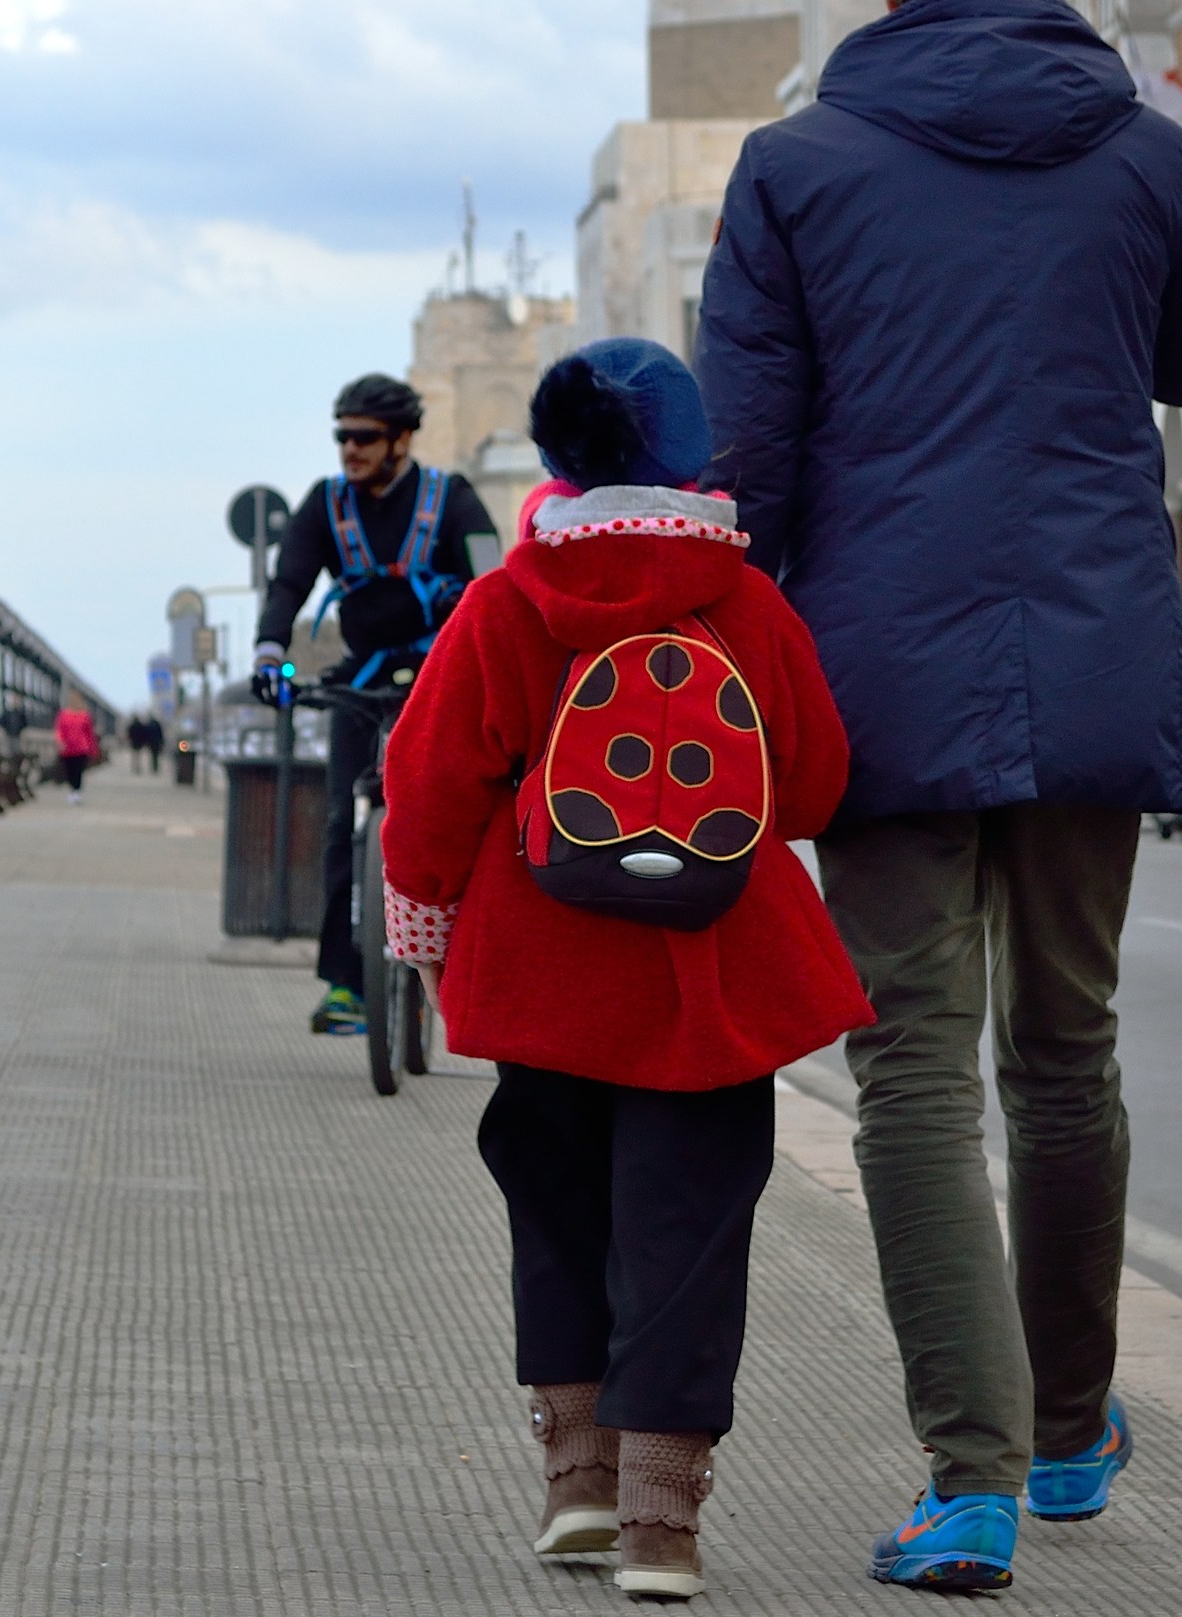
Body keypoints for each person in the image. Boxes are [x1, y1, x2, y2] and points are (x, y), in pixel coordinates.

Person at [692, 0, 1182, 1590]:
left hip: (881, 665)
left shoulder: (796, 162)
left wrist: (745, 667)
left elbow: (748, 454)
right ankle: (1070, 1436)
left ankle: (973, 1478)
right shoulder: (1147, 149)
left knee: (912, 1068)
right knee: (1067, 1053)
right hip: (1096, 646)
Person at [380, 339, 871, 1599]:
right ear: (693, 457)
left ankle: (576, 1492)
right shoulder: (749, 605)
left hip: (543, 980)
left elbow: (429, 789)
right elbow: (810, 786)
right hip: (707, 983)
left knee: (557, 1219)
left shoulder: (506, 602)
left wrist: (425, 935)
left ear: (557, 459)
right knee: (687, 1238)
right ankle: (664, 1528)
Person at [252, 373, 500, 1036]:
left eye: (364, 437)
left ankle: (465, 971)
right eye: (341, 436)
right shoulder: (325, 505)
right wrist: (269, 651)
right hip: (360, 682)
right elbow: (289, 582)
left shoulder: (454, 500)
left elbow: (493, 579)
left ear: (402, 438)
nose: (349, 449)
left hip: (440, 680)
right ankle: (344, 985)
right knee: (341, 825)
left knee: (463, 826)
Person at [54, 694, 98, 803]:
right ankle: (72, 790)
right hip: (67, 748)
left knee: (78, 771)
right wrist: (59, 742)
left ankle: (76, 791)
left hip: (81, 748)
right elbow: (59, 730)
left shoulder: (85, 715)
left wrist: (93, 748)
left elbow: (89, 733)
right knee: (69, 770)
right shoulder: (63, 714)